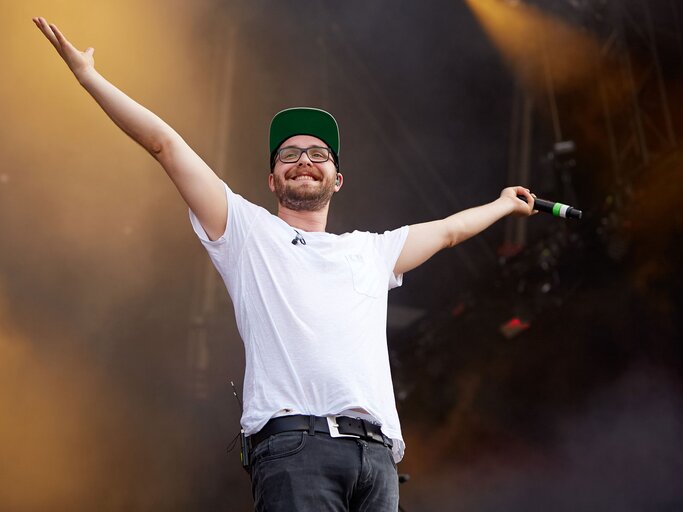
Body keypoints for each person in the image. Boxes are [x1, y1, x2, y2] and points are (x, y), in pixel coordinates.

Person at [33, 17, 536, 512]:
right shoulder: (248, 232)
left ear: (337, 179)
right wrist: (90, 78)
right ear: (273, 180)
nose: (304, 159)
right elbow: (165, 145)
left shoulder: (370, 250)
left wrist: (503, 204)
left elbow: (447, 232)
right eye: (288, 154)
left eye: (319, 154)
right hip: (298, 450)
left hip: (377, 458)